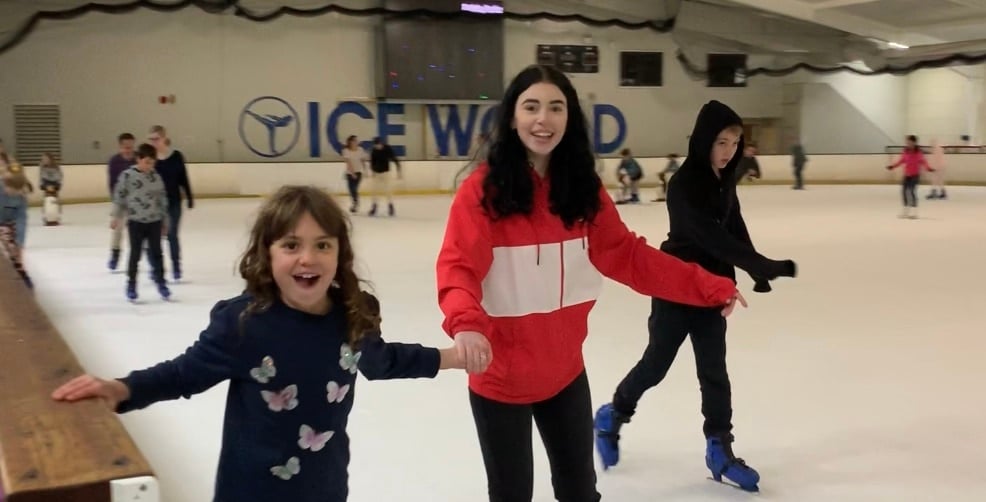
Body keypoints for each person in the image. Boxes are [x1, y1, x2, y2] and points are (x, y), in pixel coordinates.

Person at [435, 65, 746, 502]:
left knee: (580, 492)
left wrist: (707, 285)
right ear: (512, 118)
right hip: (500, 378)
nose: (543, 119)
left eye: (555, 108)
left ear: (569, 118)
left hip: (564, 374)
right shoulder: (482, 193)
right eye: (531, 107)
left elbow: (630, 257)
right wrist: (465, 323)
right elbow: (457, 268)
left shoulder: (581, 192)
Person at [53, 185, 466, 502]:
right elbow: (183, 375)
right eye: (291, 245)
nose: (307, 258)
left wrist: (447, 358)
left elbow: (380, 361)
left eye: (322, 245)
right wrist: (122, 389)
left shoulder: (354, 313)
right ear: (266, 254)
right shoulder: (244, 324)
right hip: (250, 491)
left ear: (340, 255)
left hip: (324, 486)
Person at [594, 100, 798, 493]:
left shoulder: (724, 180)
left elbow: (733, 226)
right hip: (676, 284)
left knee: (714, 372)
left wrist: (757, 271)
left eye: (735, 144)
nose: (729, 152)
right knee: (656, 365)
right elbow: (709, 236)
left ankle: (719, 449)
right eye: (721, 142)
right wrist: (760, 263)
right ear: (704, 140)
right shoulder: (684, 183)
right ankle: (612, 414)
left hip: (714, 288)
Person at [111, 143, 170, 302]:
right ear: (138, 159)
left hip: (154, 221)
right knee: (135, 255)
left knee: (157, 254)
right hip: (136, 222)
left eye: (152, 162)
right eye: (146, 162)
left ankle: (161, 282)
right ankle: (131, 284)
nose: (150, 166)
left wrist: (165, 220)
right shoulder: (127, 176)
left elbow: (162, 199)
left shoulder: (156, 177)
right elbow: (119, 197)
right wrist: (116, 216)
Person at [148, 126, 193, 281]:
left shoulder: (176, 157)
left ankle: (176, 266)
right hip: (154, 205)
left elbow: (183, 177)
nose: (153, 142)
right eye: (151, 139)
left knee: (172, 235)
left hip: (173, 202)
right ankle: (156, 268)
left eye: (156, 139)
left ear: (163, 138)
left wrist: (189, 196)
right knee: (154, 238)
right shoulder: (150, 160)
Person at [107, 132, 136, 271]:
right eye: (126, 147)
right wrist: (115, 203)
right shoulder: (114, 161)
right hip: (120, 201)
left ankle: (137, 256)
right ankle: (115, 254)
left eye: (131, 147)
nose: (129, 150)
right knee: (117, 230)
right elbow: (112, 183)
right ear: (120, 147)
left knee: (136, 231)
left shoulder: (138, 159)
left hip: (137, 202)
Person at [887, 134, 934, 219]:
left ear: (913, 142)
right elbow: (901, 161)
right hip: (906, 175)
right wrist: (892, 166)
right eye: (907, 141)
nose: (907, 142)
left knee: (912, 191)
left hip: (915, 175)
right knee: (904, 191)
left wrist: (928, 168)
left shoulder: (918, 152)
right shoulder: (905, 151)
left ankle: (914, 212)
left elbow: (923, 161)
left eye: (908, 141)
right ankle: (905, 211)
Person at [368, 137, 401, 217]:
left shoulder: (387, 148)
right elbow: (372, 162)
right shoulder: (374, 150)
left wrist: (398, 170)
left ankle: (390, 206)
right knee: (374, 191)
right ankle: (374, 207)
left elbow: (394, 158)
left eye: (377, 144)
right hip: (376, 173)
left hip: (386, 173)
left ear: (381, 143)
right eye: (375, 145)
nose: (376, 146)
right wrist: (373, 171)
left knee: (388, 190)